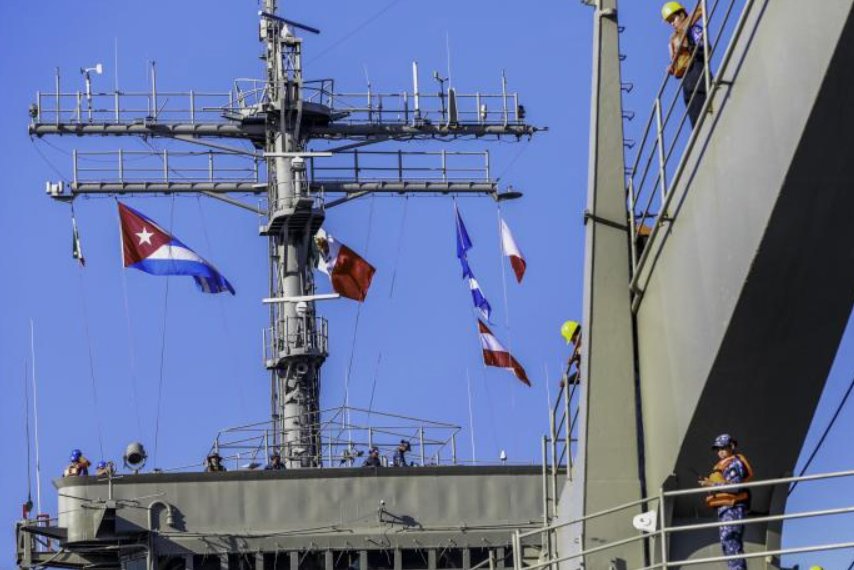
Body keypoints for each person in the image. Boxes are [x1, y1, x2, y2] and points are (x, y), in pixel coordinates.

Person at [699, 434, 753, 570]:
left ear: (731, 447)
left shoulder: (734, 463)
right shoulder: (724, 464)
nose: (720, 451)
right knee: (728, 546)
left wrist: (712, 486)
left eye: (723, 448)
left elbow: (735, 487)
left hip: (733, 509)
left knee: (732, 545)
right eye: (718, 449)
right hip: (726, 509)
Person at [662, 2, 709, 128]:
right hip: (686, 79)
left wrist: (691, 47)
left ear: (682, 15)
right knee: (691, 105)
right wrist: (672, 67)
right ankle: (698, 133)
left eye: (673, 19)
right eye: (670, 22)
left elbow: (705, 47)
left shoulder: (692, 29)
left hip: (696, 69)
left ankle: (706, 126)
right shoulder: (675, 38)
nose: (672, 23)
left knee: (700, 100)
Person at [560, 321, 582, 385]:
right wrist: (568, 381)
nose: (574, 344)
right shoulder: (579, 350)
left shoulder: (588, 342)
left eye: (574, 340)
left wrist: (576, 357)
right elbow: (583, 375)